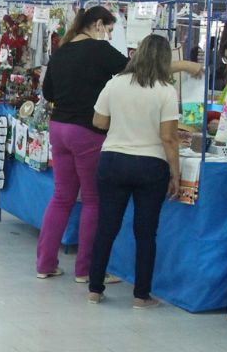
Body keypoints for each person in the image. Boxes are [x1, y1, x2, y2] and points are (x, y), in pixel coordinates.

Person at [35, 7, 202, 282]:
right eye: (110, 30)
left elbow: (48, 92)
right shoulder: (100, 50)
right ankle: (86, 270)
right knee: (92, 200)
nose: (110, 36)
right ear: (98, 24)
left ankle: (45, 264)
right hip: (86, 130)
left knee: (61, 197)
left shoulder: (61, 51)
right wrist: (185, 65)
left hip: (59, 128)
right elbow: (141, 69)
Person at [86, 34, 187, 309]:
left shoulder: (115, 83)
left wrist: (124, 123)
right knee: (145, 233)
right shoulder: (166, 91)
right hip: (150, 165)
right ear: (165, 60)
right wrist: (175, 173)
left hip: (113, 160)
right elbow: (169, 138)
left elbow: (98, 121)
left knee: (106, 227)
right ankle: (141, 295)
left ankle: (95, 289)